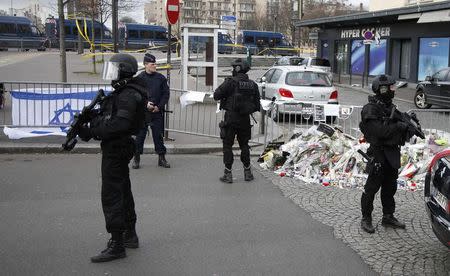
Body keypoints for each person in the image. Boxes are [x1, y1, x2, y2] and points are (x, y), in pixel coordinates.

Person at [78, 53, 146, 262]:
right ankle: (129, 234)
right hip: (120, 146)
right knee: (123, 191)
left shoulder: (127, 94)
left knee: (112, 195)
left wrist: (92, 131)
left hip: (117, 147)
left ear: (123, 71)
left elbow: (120, 124)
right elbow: (113, 116)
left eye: (114, 69)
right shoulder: (125, 91)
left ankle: (117, 243)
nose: (111, 74)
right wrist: (93, 118)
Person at [359, 75, 414, 234]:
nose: (393, 90)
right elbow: (380, 131)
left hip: (391, 153)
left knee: (390, 187)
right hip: (378, 153)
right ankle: (366, 218)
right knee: (371, 188)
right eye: (391, 88)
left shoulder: (389, 106)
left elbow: (400, 124)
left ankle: (388, 216)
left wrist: (409, 126)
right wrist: (398, 127)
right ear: (382, 89)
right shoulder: (370, 109)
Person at [213, 58, 260, 183]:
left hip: (231, 119)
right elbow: (257, 105)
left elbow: (216, 95)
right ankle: (248, 172)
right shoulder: (253, 85)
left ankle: (228, 174)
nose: (233, 70)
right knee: (244, 145)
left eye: (234, 68)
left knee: (227, 145)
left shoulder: (230, 82)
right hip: (245, 120)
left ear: (238, 68)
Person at [132, 53, 170, 169]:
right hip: (143, 113)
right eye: (152, 64)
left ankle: (161, 158)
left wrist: (159, 106)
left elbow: (166, 94)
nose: (155, 66)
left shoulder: (161, 78)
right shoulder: (139, 79)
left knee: (158, 136)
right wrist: (145, 104)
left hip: (157, 112)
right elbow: (134, 95)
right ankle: (136, 158)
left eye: (155, 64)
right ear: (145, 65)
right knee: (140, 137)